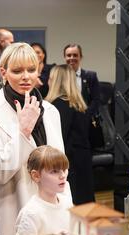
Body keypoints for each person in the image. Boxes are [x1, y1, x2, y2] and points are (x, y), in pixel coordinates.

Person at [0, 42, 69, 235]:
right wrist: (23, 131)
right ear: (3, 72)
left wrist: (67, 209)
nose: (26, 76)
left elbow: (60, 167)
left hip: (51, 213)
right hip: (11, 211)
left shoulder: (51, 111)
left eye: (31, 70)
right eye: (17, 71)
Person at [46, 64, 94, 205]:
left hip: (69, 162)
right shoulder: (79, 105)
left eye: (50, 78)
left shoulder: (56, 106)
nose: (48, 81)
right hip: (83, 160)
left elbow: (59, 136)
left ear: (55, 81)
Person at [12, 146, 72, 235]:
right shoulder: (31, 213)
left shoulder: (66, 203)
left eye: (64, 170)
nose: (62, 175)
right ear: (36, 176)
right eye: (54, 171)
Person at [63, 43, 101, 118]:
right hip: (65, 120)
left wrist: (87, 115)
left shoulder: (91, 76)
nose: (72, 58)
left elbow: (96, 99)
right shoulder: (60, 78)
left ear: (81, 57)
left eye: (75, 55)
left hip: (86, 120)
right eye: (69, 55)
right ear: (64, 57)